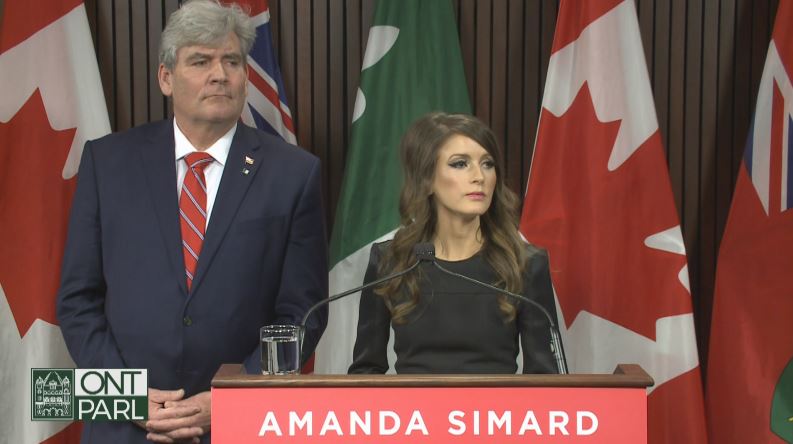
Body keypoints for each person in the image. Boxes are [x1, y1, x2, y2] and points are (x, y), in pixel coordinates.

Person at [56, 1, 328, 442]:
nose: (219, 74)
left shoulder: (294, 173)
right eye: (200, 61)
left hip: (241, 426)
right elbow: (78, 300)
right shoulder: (108, 163)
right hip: (125, 426)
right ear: (166, 77)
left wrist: (233, 398)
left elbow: (302, 313)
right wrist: (128, 397)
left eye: (232, 61)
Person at [348, 112, 560, 375]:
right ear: (425, 180)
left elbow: (548, 381)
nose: (479, 177)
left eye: (487, 164)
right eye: (460, 164)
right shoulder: (392, 261)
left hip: (498, 415)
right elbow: (365, 373)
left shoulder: (526, 263)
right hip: (414, 416)